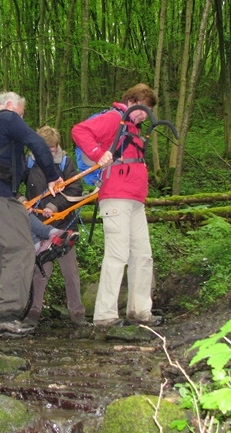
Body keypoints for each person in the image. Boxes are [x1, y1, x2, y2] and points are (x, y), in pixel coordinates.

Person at [0, 91, 63, 338]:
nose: (20, 118)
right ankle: (5, 314)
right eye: (21, 113)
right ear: (9, 106)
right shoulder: (7, 118)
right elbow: (38, 142)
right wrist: (53, 176)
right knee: (21, 249)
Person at [71, 83, 163, 328]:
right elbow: (79, 130)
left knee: (142, 256)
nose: (145, 114)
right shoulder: (115, 119)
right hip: (115, 196)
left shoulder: (133, 128)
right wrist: (98, 153)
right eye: (143, 108)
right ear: (132, 101)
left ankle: (139, 310)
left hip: (135, 199)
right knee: (117, 254)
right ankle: (105, 315)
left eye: (149, 111)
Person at [25, 126, 87, 327]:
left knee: (70, 271)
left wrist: (54, 205)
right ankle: (33, 311)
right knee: (41, 271)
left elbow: (75, 187)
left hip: (63, 225)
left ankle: (77, 313)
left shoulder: (66, 162)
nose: (51, 153)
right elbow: (16, 184)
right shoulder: (29, 162)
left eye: (53, 149)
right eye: (47, 150)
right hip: (39, 225)